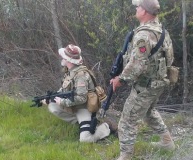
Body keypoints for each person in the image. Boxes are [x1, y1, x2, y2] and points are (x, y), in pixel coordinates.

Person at [110, 0, 176, 159]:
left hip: (146, 85)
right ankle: (167, 143)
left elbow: (138, 63)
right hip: (158, 82)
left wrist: (121, 79)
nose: (136, 8)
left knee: (127, 121)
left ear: (145, 11)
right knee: (149, 112)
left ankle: (125, 156)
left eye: (138, 6)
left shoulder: (143, 34)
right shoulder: (161, 30)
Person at [42, 44, 116, 142]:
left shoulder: (80, 75)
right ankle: (80, 123)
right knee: (52, 106)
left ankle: (106, 126)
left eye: (64, 57)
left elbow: (82, 98)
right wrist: (51, 98)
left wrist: (63, 102)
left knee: (85, 140)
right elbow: (65, 89)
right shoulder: (70, 71)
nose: (62, 58)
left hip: (85, 108)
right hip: (75, 105)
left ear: (68, 60)